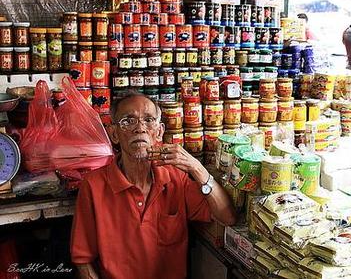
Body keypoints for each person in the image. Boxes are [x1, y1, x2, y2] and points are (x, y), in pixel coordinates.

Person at [70, 93, 237, 279]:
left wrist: (197, 168)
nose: (140, 128)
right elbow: (83, 261)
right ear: (114, 134)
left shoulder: (175, 178)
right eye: (128, 121)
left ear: (159, 132)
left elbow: (227, 217)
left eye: (148, 120)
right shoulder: (94, 186)